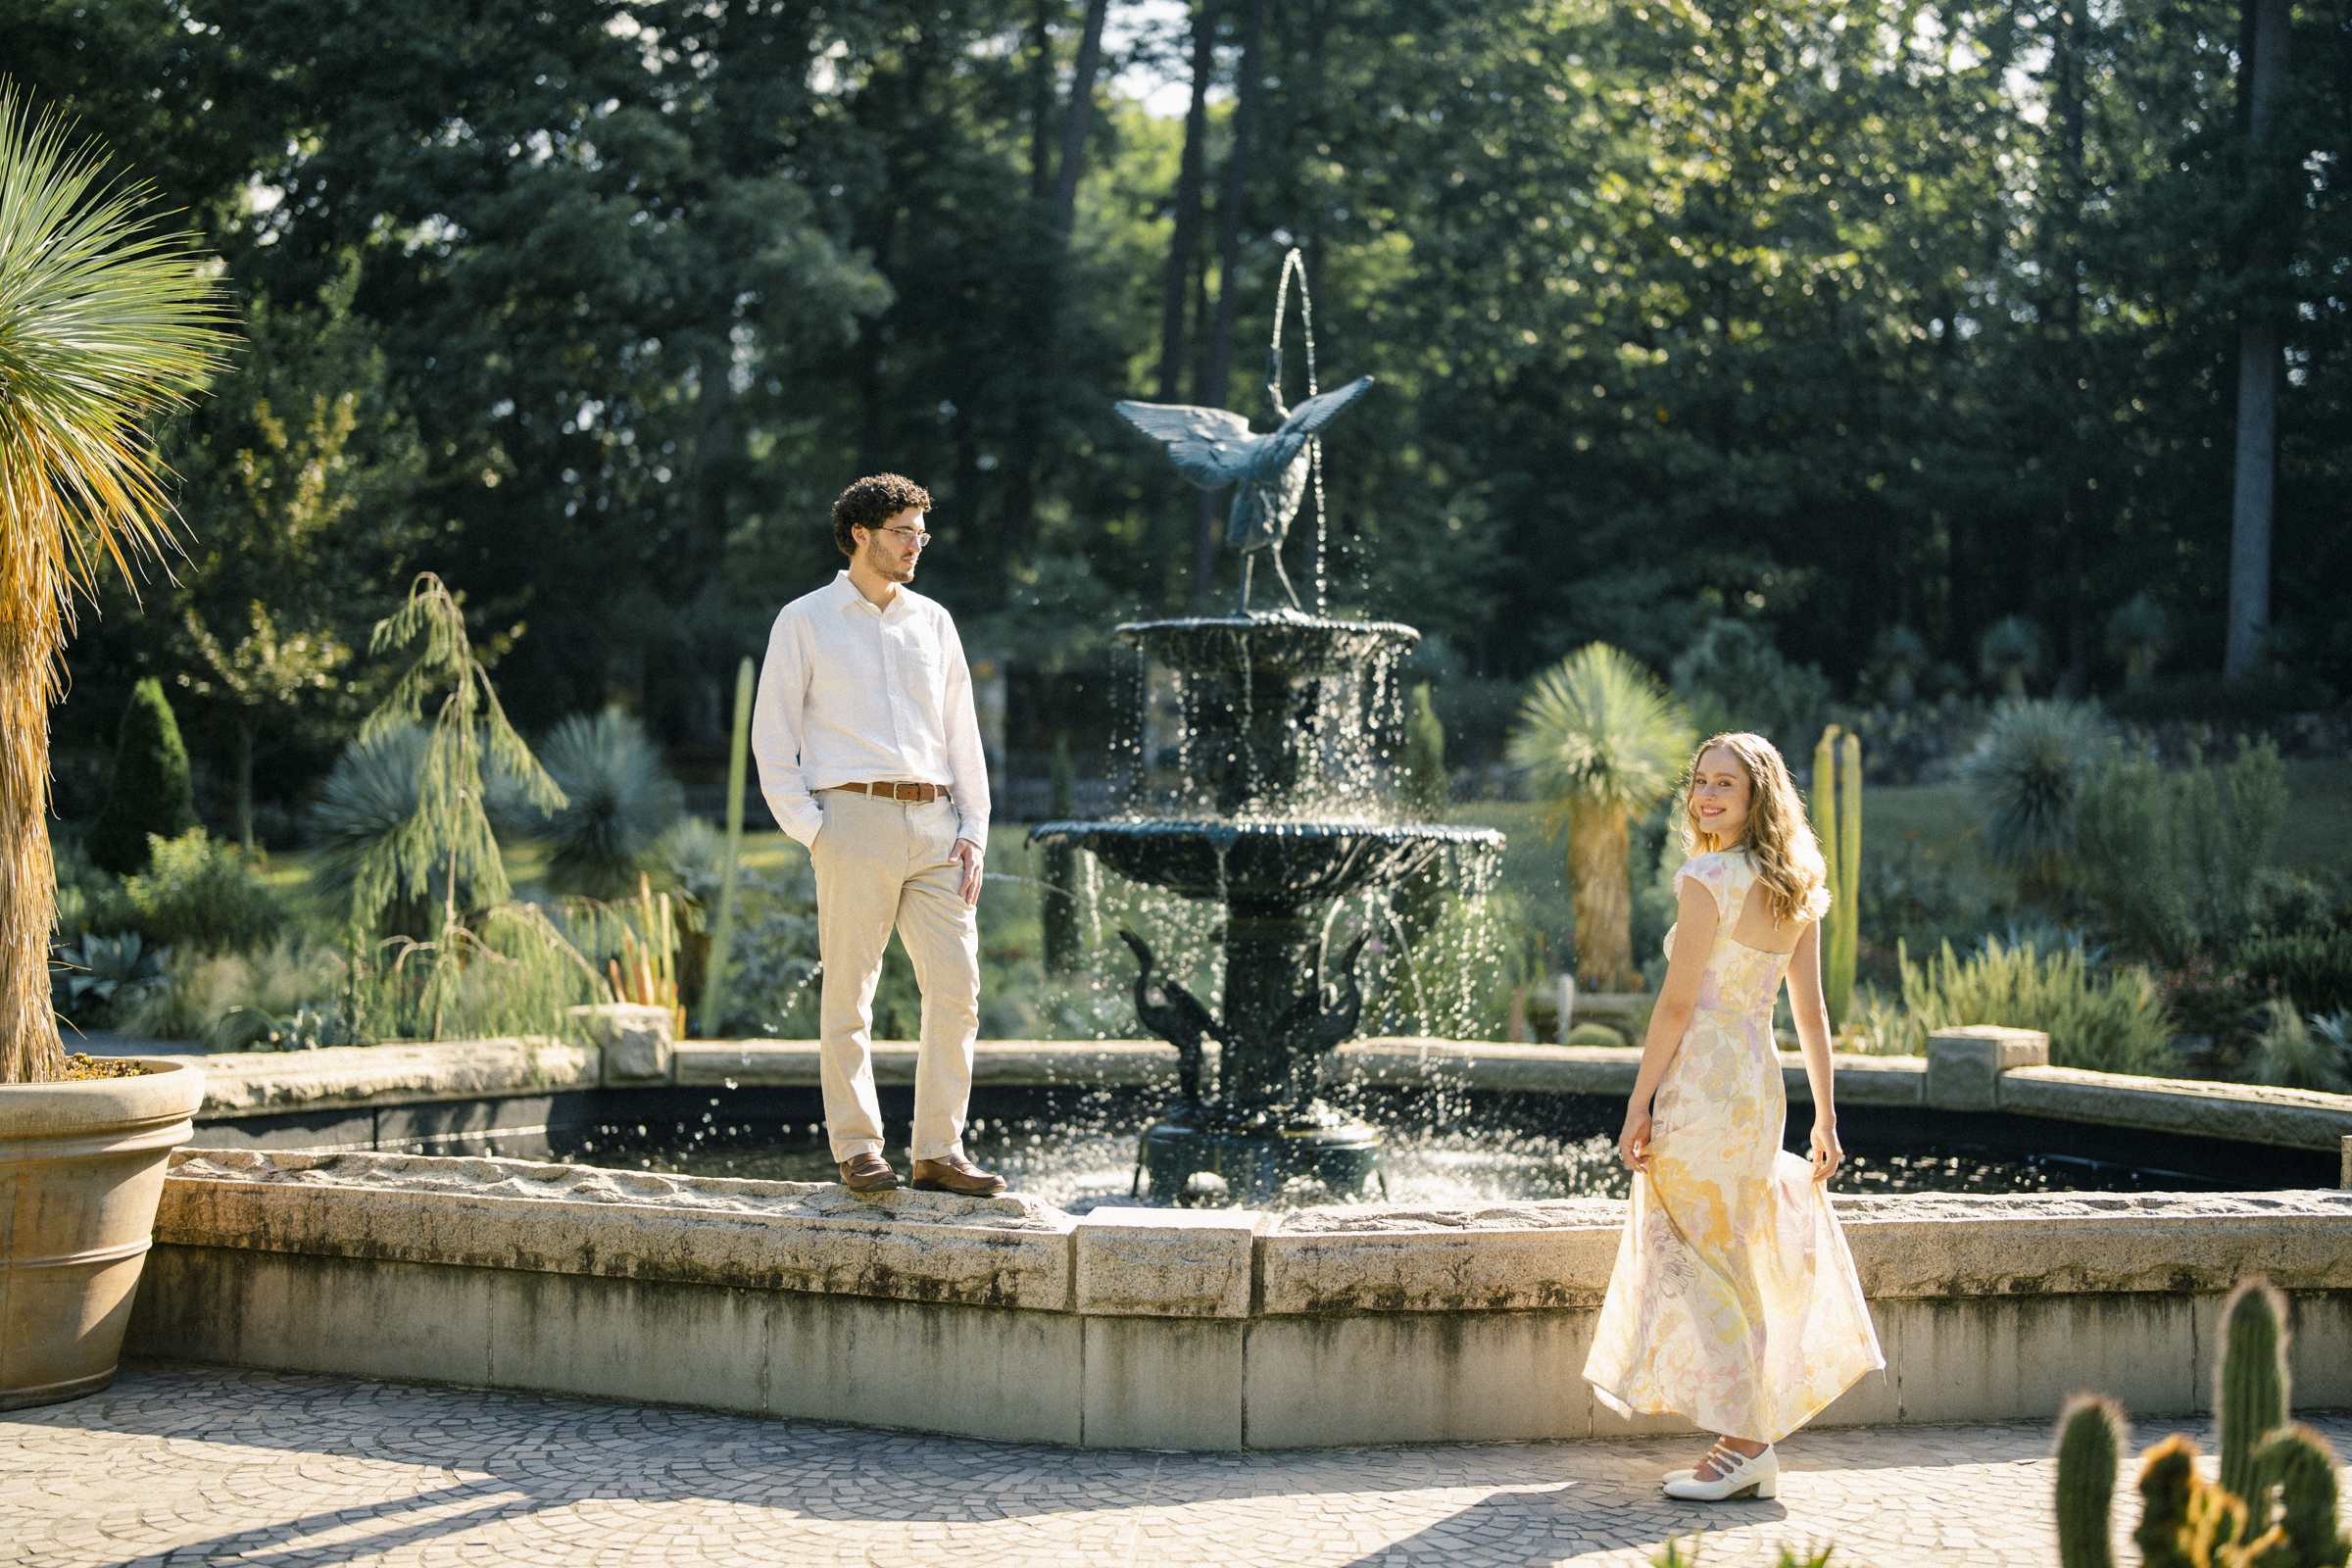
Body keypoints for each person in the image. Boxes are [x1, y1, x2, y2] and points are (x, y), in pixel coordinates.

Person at [1583, 731, 1884, 1500]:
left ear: (1757, 797)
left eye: (1726, 784)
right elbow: (1810, 1013)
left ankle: (1748, 1441)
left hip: (1704, 1084)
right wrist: (1824, 1115)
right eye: (1701, 782)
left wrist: (1639, 1098)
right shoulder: (1796, 881)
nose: (1708, 795)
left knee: (1696, 1248)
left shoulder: (1705, 875)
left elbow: (1679, 1002)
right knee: (1726, 1249)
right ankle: (1744, 1437)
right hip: (1757, 1081)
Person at [751, 473, 1006, 1197]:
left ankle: (938, 1152)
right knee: (851, 996)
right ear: (860, 532)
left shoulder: (934, 622)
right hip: (850, 819)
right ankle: (859, 1147)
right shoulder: (804, 620)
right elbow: (773, 739)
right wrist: (812, 829)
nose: (915, 546)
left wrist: (975, 830)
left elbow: (963, 735)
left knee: (957, 989)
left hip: (937, 824)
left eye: (921, 535)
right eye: (903, 532)